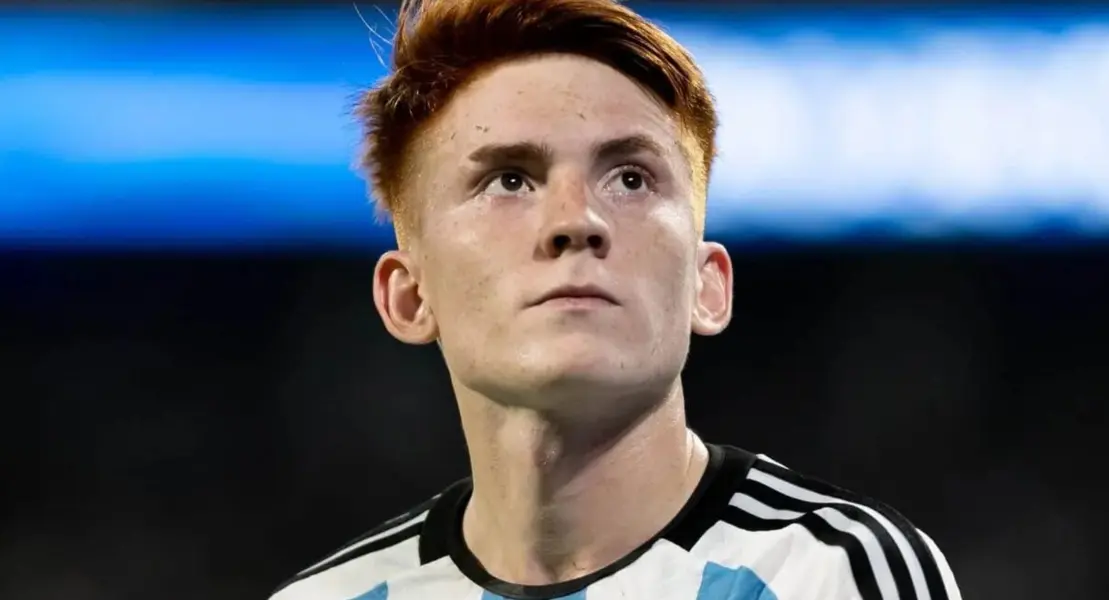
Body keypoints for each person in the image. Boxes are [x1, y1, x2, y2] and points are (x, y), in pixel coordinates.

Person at [271, 0, 962, 598]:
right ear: (409, 296)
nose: (578, 221)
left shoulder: (832, 574)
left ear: (707, 284)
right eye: (510, 180)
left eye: (630, 179)